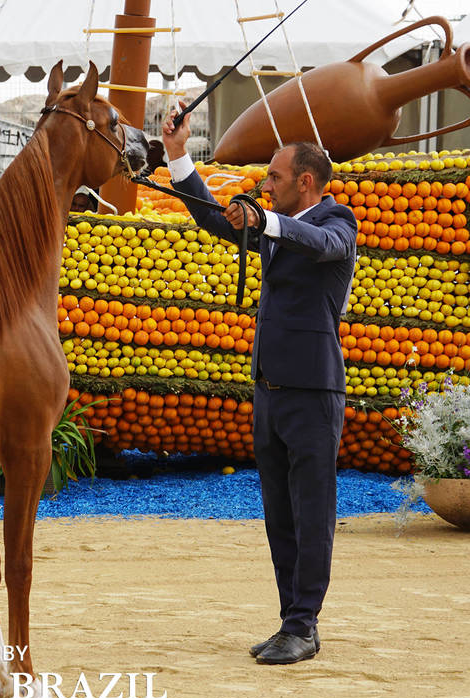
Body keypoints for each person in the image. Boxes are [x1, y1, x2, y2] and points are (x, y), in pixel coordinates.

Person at [162, 103, 357, 665]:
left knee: (312, 511)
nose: (264, 185)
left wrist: (266, 222)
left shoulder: (336, 222)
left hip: (315, 392)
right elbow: (216, 218)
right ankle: (290, 621)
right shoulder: (276, 226)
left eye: (274, 177)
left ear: (305, 181)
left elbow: (322, 246)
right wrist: (178, 154)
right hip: (270, 390)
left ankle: (304, 624)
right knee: (280, 514)